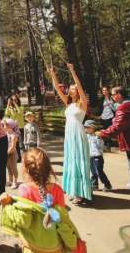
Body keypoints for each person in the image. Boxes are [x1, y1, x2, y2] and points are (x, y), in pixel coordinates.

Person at [0, 148, 85, 253]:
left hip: (33, 247)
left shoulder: (25, 189)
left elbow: (24, 221)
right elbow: (62, 220)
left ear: (26, 169)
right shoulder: (57, 190)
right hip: (55, 247)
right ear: (48, 168)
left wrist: (7, 205)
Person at [49, 63, 92, 205]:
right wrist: (53, 75)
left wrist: (72, 70)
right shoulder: (68, 104)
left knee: (79, 162)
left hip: (78, 135)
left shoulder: (82, 103)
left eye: (74, 89)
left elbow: (79, 85)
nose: (72, 90)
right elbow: (57, 88)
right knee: (71, 162)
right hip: (69, 136)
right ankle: (74, 190)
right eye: (71, 88)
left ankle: (81, 193)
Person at [84, 120, 112, 191]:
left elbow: (101, 147)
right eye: (85, 127)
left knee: (99, 171)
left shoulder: (98, 136)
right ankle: (95, 185)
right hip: (89, 156)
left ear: (93, 127)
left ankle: (107, 185)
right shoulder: (86, 136)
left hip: (97, 157)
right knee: (93, 172)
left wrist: (99, 138)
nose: (86, 129)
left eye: (88, 127)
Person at [99, 87, 116, 151]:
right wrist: (100, 114)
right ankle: (104, 146)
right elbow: (100, 108)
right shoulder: (101, 99)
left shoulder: (112, 98)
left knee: (109, 132)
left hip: (110, 117)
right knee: (104, 131)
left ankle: (108, 146)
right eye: (103, 90)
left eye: (106, 90)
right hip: (103, 117)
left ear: (108, 91)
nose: (104, 91)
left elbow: (115, 107)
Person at [5, 119, 20, 189]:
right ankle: (10, 180)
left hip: (12, 154)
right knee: (8, 168)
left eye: (4, 125)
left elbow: (13, 147)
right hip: (6, 154)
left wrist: (6, 153)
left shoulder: (13, 135)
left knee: (13, 168)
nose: (3, 126)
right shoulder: (5, 133)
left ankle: (15, 181)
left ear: (10, 126)